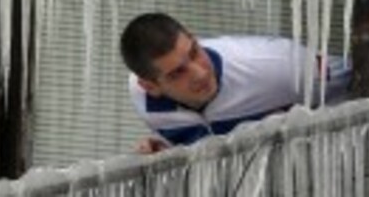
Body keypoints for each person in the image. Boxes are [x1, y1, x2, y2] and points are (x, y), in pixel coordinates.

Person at [120, 12, 351, 154]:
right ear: (151, 87)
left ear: (193, 37)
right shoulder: (142, 100)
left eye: (194, 52)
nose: (200, 74)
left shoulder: (278, 65)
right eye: (177, 73)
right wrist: (166, 147)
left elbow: (358, 76)